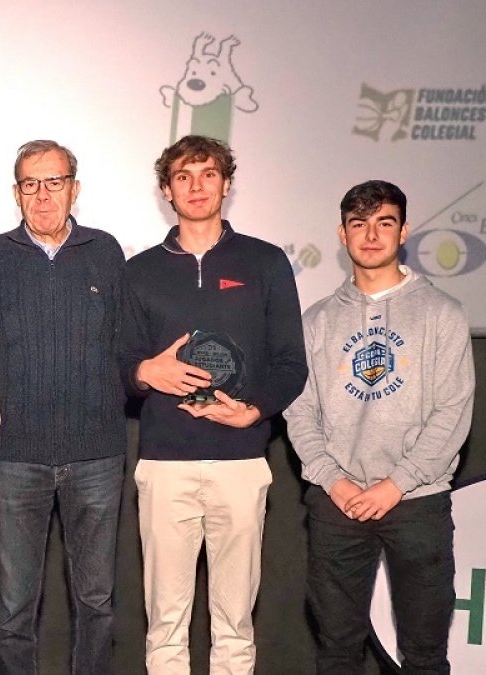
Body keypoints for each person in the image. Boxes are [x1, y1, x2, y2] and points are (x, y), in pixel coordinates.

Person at [121, 135, 307, 674]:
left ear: (226, 184)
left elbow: (291, 363)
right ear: (166, 190)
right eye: (183, 176)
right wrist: (143, 372)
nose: (196, 185)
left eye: (207, 174)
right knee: (165, 624)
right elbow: (117, 366)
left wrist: (254, 411)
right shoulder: (139, 272)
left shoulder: (267, 262)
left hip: (242, 462)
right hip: (165, 465)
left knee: (235, 625)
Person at [285, 180, 474, 674]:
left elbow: (453, 411)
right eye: (359, 224)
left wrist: (397, 484)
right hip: (336, 501)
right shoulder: (318, 321)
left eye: (384, 223)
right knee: (337, 650)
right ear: (342, 235)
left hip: (417, 501)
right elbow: (299, 411)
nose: (371, 235)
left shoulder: (442, 314)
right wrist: (334, 480)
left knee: (425, 653)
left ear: (404, 232)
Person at [0, 140, 129, 675]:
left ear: (74, 189)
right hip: (13, 457)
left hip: (97, 457)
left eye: (54, 182)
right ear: (16, 194)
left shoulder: (106, 252)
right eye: (30, 184)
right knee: (14, 608)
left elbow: (124, 344)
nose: (42, 195)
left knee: (97, 603)